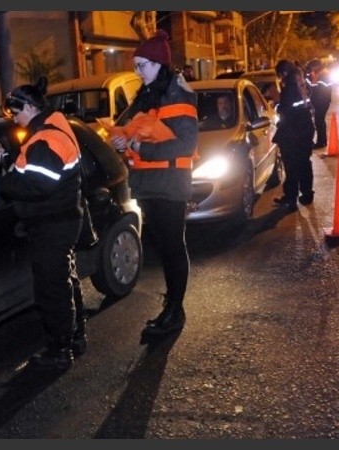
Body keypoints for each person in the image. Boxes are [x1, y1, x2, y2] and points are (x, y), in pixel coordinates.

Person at [0, 75, 85, 371]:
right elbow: (34, 165)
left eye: (15, 112)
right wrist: (8, 158)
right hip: (61, 219)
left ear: (30, 107)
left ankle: (60, 350)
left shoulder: (47, 138)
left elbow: (36, 184)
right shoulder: (49, 129)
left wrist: (4, 184)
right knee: (65, 281)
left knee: (52, 288)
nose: (14, 119)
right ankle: (75, 336)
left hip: (51, 224)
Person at [110, 30, 198, 337]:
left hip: (170, 184)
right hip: (148, 183)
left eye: (142, 65)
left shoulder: (177, 94)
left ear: (160, 64)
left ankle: (174, 310)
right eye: (135, 65)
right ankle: (173, 307)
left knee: (173, 247)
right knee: (165, 246)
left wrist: (138, 147)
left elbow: (186, 144)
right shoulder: (146, 94)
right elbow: (133, 132)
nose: (137, 72)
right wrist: (122, 141)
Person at [272, 59, 316, 210]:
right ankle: (307, 194)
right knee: (304, 163)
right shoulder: (302, 83)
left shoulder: (289, 88)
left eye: (279, 75)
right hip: (305, 130)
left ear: (283, 73)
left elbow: (286, 110)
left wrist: (276, 103)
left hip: (293, 133)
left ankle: (291, 198)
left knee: (291, 166)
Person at [305, 58, 332, 149]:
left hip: (322, 102)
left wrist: (314, 78)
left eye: (311, 68)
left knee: (319, 121)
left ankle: (321, 142)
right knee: (319, 121)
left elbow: (316, 88)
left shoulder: (324, 75)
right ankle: (322, 141)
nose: (310, 71)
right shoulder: (321, 74)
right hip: (320, 102)